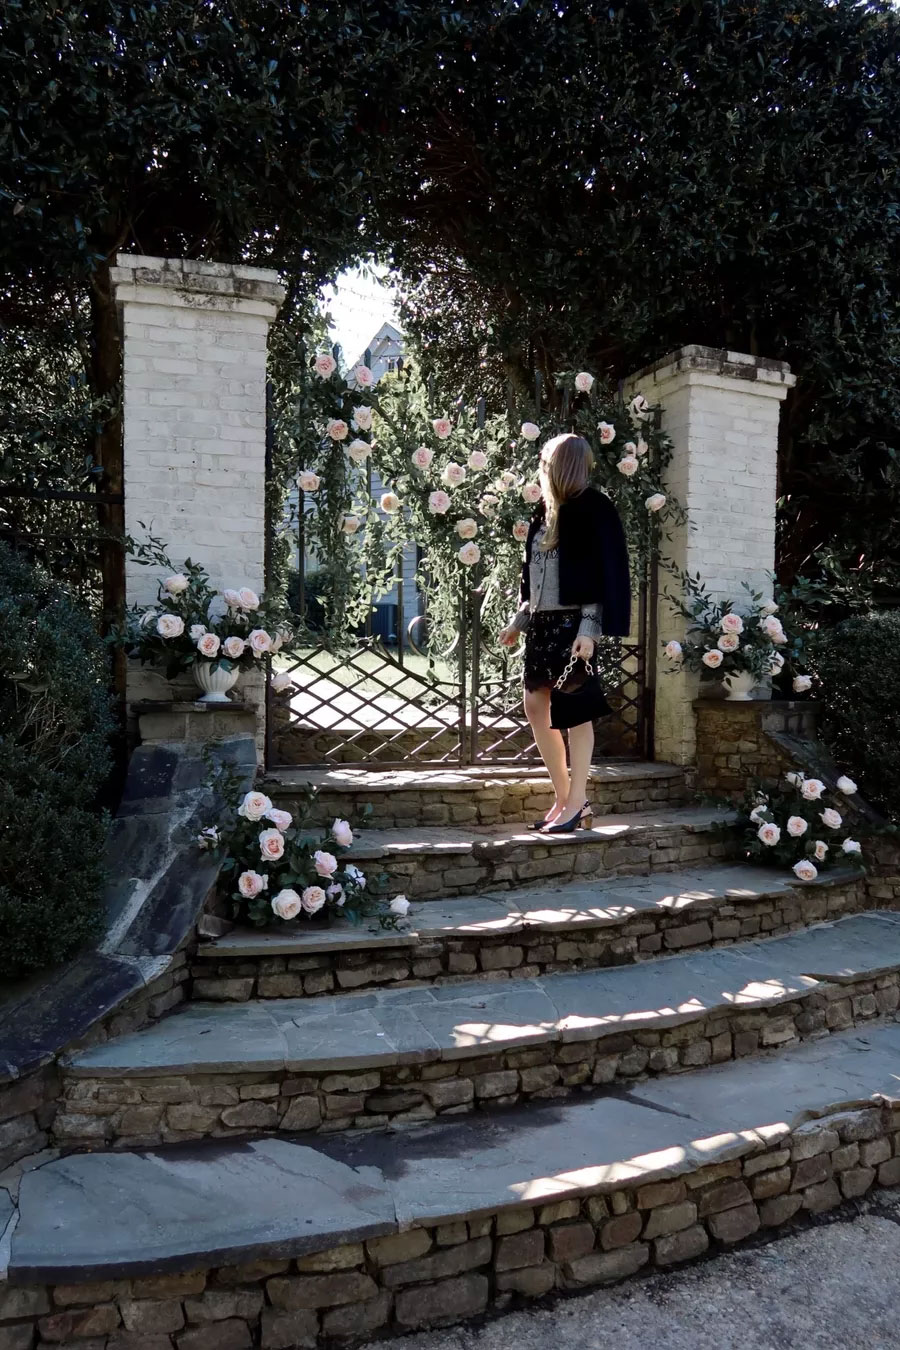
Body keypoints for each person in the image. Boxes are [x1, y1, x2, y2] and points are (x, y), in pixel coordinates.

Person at [499, 433, 631, 832]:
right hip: (542, 626)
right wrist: (519, 622)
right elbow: (533, 582)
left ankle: (576, 803)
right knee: (535, 707)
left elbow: (602, 576)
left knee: (576, 714)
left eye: (546, 459)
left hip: (574, 626)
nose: (540, 464)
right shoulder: (545, 512)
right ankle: (565, 797)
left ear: (562, 463)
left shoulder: (595, 508)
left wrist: (590, 631)